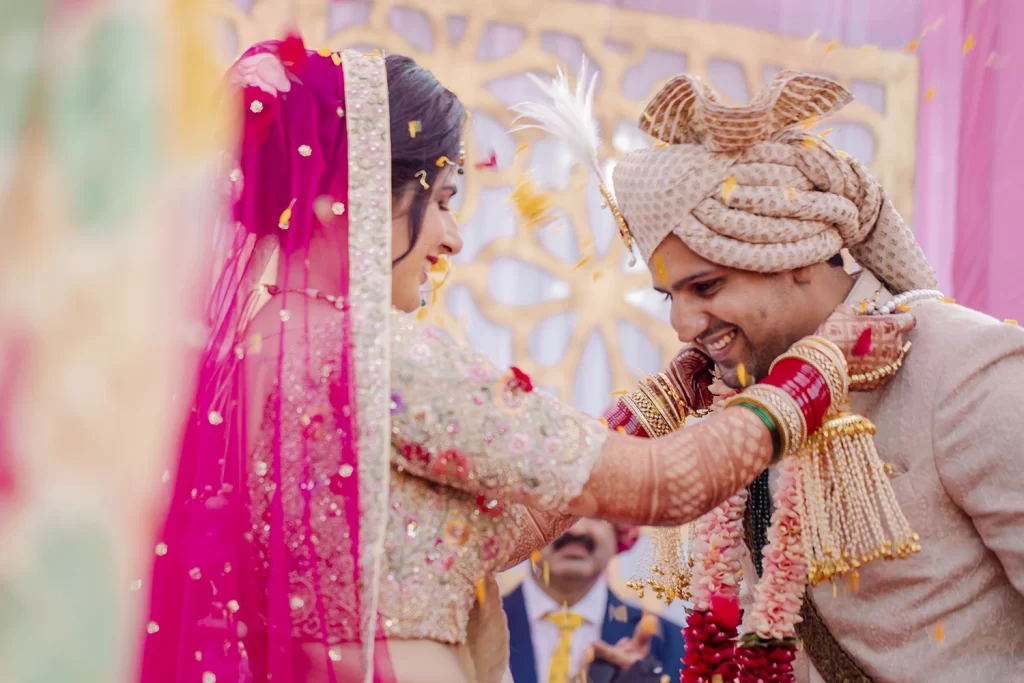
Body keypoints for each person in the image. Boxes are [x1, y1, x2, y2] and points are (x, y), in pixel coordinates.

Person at [137, 38, 909, 683]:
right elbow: (672, 486)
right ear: (360, 192)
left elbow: (463, 546)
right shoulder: (386, 358)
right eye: (440, 198)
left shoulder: (249, 354)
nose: (452, 237)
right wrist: (819, 367)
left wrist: (654, 408)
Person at [593, 71, 1024, 682]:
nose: (684, 325)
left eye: (707, 286)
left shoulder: (962, 369)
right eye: (669, 296)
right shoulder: (736, 394)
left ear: (794, 257)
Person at [504, 519, 685, 683]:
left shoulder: (673, 644)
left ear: (619, 533)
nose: (576, 530)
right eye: (558, 515)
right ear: (523, 533)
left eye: (594, 516)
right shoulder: (478, 629)